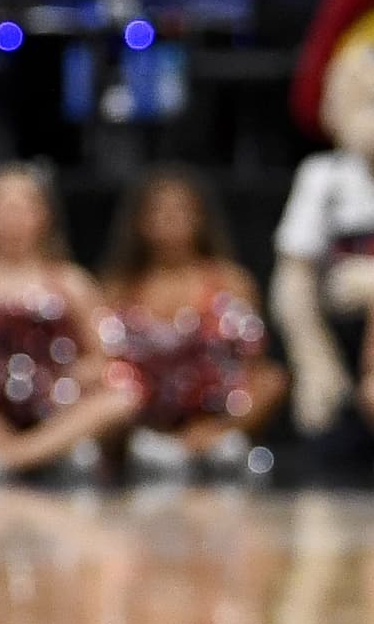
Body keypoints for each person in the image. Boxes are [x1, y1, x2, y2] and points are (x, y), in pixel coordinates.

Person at [0, 165, 143, 479]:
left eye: (23, 208)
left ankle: (15, 458)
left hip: (56, 407)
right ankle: (31, 454)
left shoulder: (71, 281)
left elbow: (107, 357)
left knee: (120, 401)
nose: (13, 219)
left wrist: (60, 376)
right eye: (3, 208)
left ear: (44, 216)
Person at [99, 168, 278, 475]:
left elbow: (253, 363)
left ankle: (217, 442)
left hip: (217, 412)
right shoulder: (118, 286)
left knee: (271, 382)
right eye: (159, 211)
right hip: (143, 416)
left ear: (200, 218)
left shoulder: (231, 281)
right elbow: (104, 359)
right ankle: (147, 450)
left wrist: (224, 422)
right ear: (139, 221)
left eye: (181, 210)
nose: (170, 219)